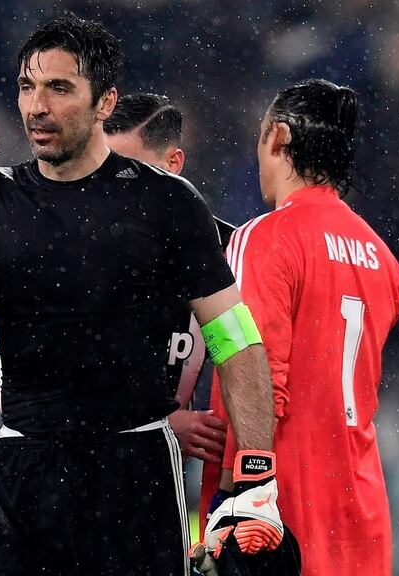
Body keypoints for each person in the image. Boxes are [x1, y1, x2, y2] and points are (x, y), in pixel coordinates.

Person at [0, 15, 281, 575]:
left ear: (105, 102)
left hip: (135, 474)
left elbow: (234, 337)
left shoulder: (167, 202)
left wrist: (257, 478)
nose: (37, 106)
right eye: (26, 87)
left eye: (59, 88)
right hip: (23, 470)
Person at [202, 79, 399, 575]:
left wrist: (234, 496)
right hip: (361, 512)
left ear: (277, 136)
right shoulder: (383, 259)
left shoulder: (262, 238)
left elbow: (252, 370)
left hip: (280, 514)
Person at [104, 92, 229, 466]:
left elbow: (246, 355)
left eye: (131, 171)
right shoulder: (78, 249)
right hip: (86, 465)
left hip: (191, 467)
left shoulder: (231, 251)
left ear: (173, 163)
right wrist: (158, 424)